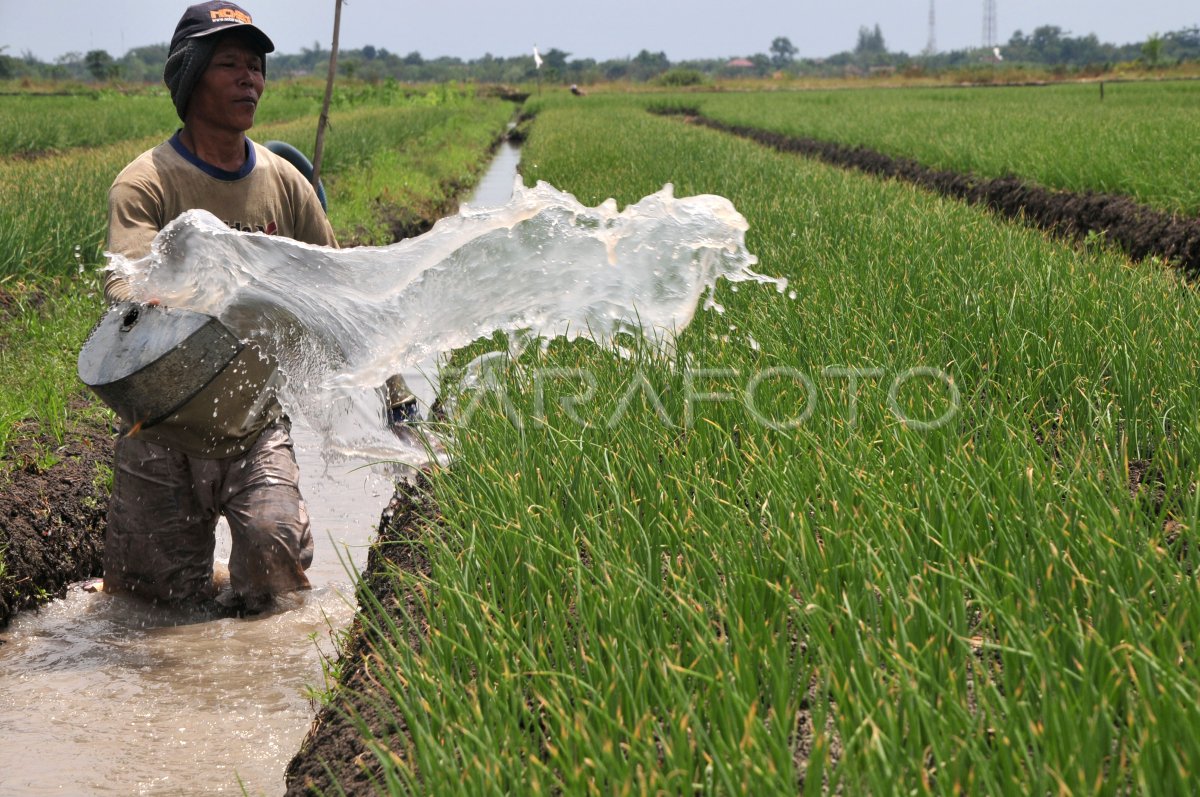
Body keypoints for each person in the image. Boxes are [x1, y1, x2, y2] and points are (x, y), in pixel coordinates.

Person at [102, 1, 337, 614]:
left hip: (254, 415)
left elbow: (340, 291)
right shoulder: (147, 182)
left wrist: (395, 391)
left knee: (270, 556)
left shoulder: (287, 183)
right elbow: (126, 289)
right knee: (151, 608)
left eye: (256, 67)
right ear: (189, 75)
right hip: (160, 420)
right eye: (229, 64)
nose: (249, 79)